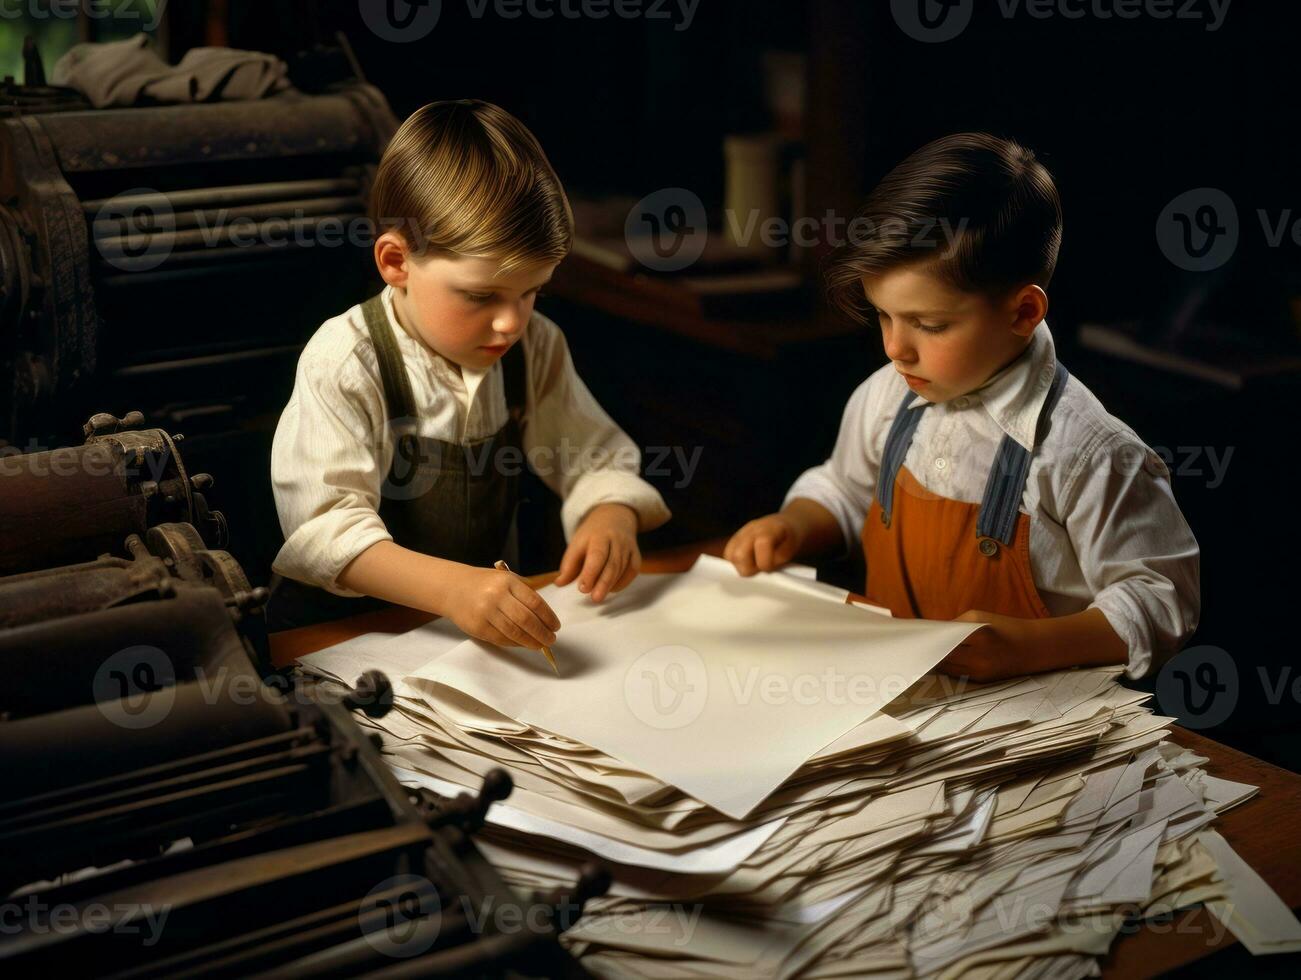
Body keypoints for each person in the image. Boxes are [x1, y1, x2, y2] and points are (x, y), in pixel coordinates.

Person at [725, 133, 1199, 682]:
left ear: (1022, 312)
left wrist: (1029, 647)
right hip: (893, 703)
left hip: (1031, 725)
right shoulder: (887, 396)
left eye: (930, 325)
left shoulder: (1087, 452)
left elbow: (1161, 600)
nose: (895, 348)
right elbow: (845, 490)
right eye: (884, 316)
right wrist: (795, 525)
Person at [268, 100, 670, 649]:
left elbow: (593, 456)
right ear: (395, 262)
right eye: (481, 295)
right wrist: (453, 590)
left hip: (466, 641)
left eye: (531, 292)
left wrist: (610, 511)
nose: (510, 322)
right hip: (345, 639)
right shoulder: (346, 360)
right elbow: (323, 529)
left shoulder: (536, 346)